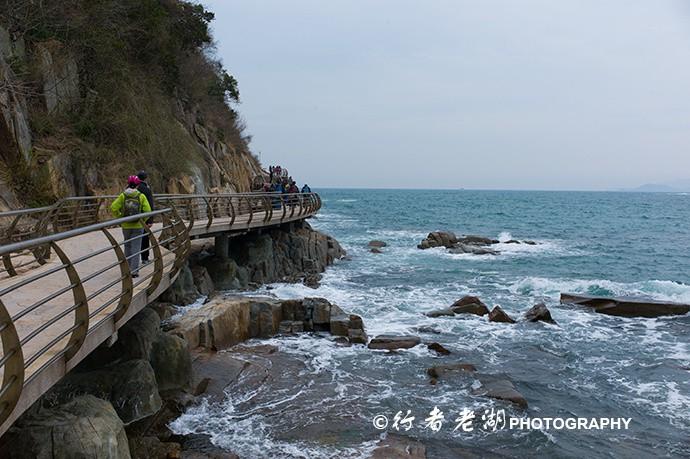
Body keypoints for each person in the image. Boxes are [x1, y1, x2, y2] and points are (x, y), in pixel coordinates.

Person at [110, 176, 151, 278]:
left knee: (127, 247)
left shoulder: (123, 196)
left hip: (126, 225)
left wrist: (120, 218)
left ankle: (127, 269)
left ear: (128, 184)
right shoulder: (141, 196)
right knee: (136, 248)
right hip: (138, 226)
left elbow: (113, 207)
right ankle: (134, 271)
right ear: (137, 185)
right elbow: (148, 211)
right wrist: (142, 221)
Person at [136, 170, 154, 264]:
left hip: (131, 219)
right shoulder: (146, 189)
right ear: (145, 178)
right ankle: (145, 258)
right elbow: (150, 205)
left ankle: (131, 260)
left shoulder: (130, 188)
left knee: (132, 240)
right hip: (144, 218)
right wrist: (150, 219)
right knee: (144, 238)